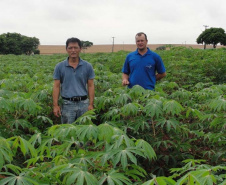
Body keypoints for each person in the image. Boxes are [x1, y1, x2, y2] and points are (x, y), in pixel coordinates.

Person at [53, 37, 95, 124]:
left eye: (75, 47)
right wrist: (55, 105)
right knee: (67, 132)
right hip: (67, 104)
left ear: (80, 49)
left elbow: (91, 86)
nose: (73, 50)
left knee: (84, 130)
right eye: (70, 48)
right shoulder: (59, 66)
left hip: (83, 104)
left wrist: (90, 104)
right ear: (66, 49)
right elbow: (56, 86)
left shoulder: (87, 66)